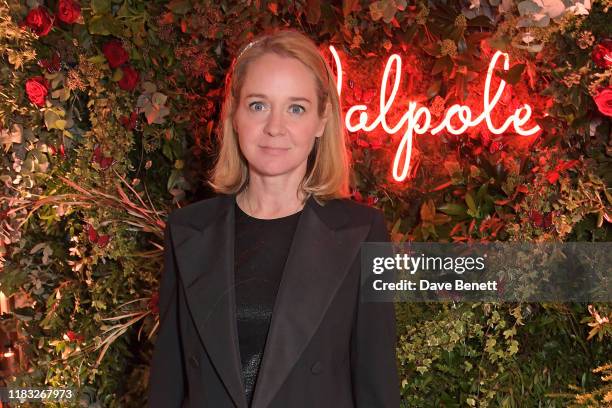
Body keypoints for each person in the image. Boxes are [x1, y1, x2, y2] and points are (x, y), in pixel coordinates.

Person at [147, 28, 400, 408]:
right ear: (234, 114)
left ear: (321, 120)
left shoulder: (364, 233)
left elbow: (377, 384)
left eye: (296, 108)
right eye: (258, 105)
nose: (275, 127)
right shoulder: (187, 231)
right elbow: (168, 383)